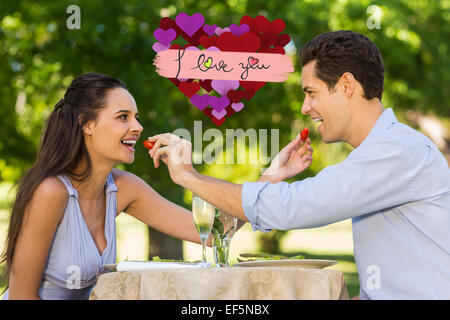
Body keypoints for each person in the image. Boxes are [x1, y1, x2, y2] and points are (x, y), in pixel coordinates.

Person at [147, 31, 450, 300]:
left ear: (346, 86)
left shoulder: (396, 152)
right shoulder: (382, 152)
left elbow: (294, 207)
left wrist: (188, 176)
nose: (306, 108)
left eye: (311, 93)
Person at [0, 73, 210, 300]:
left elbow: (209, 233)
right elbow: (21, 297)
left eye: (136, 117)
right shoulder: (51, 192)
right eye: (123, 117)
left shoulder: (123, 188)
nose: (138, 127)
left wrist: (188, 176)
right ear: (87, 124)